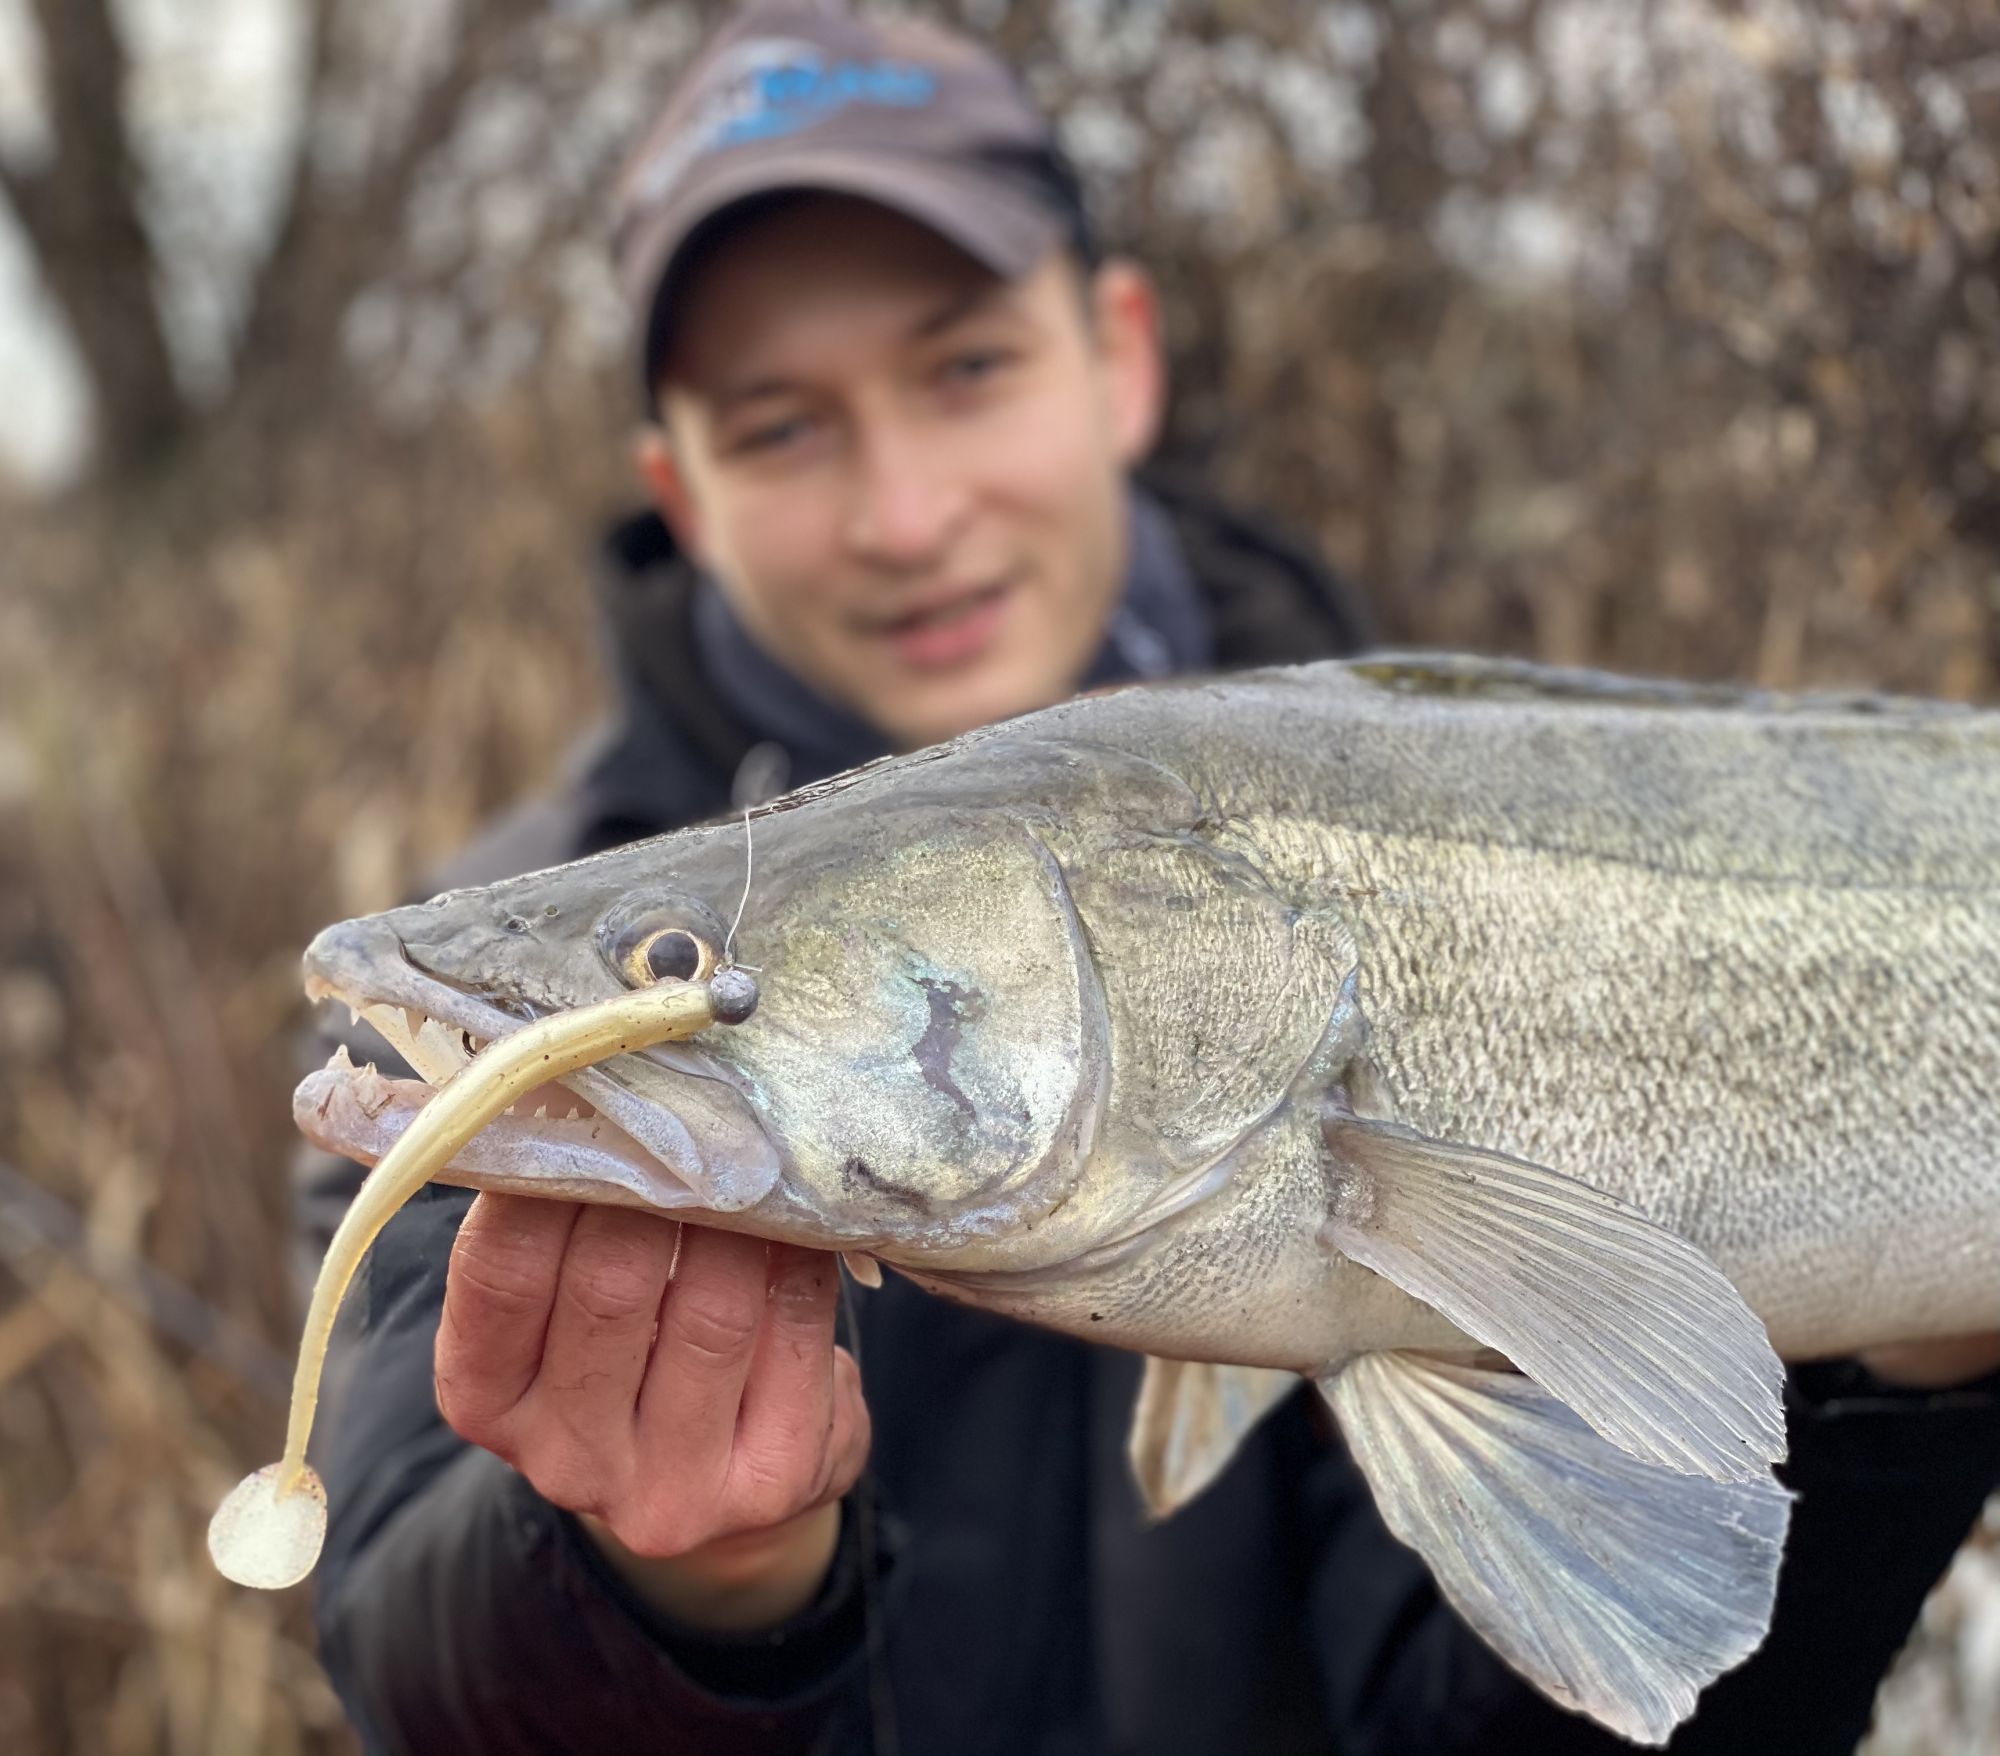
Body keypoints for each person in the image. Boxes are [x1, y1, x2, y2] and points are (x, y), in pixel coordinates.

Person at [291, 6, 2000, 1752]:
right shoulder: (513, 1005)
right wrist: (680, 1596)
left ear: (1119, 356)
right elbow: (411, 1652)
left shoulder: (1420, 796)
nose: (907, 510)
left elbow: (1578, 1703)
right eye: (783, 428)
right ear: (682, 487)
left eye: (965, 370)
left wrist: (1913, 1373)